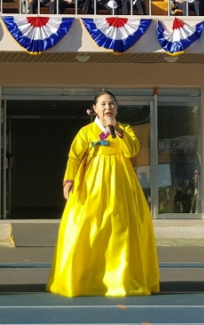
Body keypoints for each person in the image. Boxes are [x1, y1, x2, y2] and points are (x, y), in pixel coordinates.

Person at [47, 91, 159, 297]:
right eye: (103, 104)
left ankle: (121, 278)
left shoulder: (126, 129)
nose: (108, 107)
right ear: (95, 108)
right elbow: (74, 157)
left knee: (121, 228)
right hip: (91, 184)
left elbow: (132, 150)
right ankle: (85, 277)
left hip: (121, 184)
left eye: (112, 104)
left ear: (117, 108)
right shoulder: (86, 132)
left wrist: (116, 131)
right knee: (87, 227)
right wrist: (69, 180)